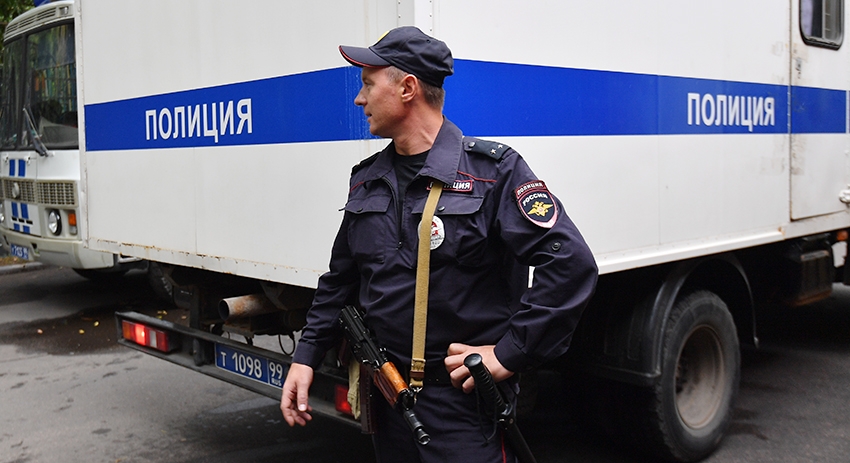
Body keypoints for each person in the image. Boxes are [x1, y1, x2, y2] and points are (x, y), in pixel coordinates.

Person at [280, 26, 598, 462]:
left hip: (462, 406)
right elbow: (341, 280)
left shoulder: (492, 172)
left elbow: (570, 264)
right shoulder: (367, 178)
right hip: (389, 398)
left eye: (368, 84)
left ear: (407, 88)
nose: (359, 99)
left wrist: (510, 353)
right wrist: (306, 356)